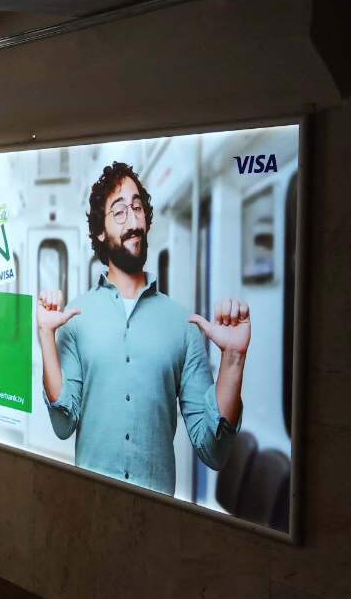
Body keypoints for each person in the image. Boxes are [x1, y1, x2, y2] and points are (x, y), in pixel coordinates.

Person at [36, 161, 250, 496]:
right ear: (100, 231)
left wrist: (233, 359)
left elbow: (213, 451)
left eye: (137, 208)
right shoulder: (76, 317)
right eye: (119, 212)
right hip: (91, 503)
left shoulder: (183, 325)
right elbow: (64, 425)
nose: (133, 221)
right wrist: (46, 336)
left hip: (156, 514)